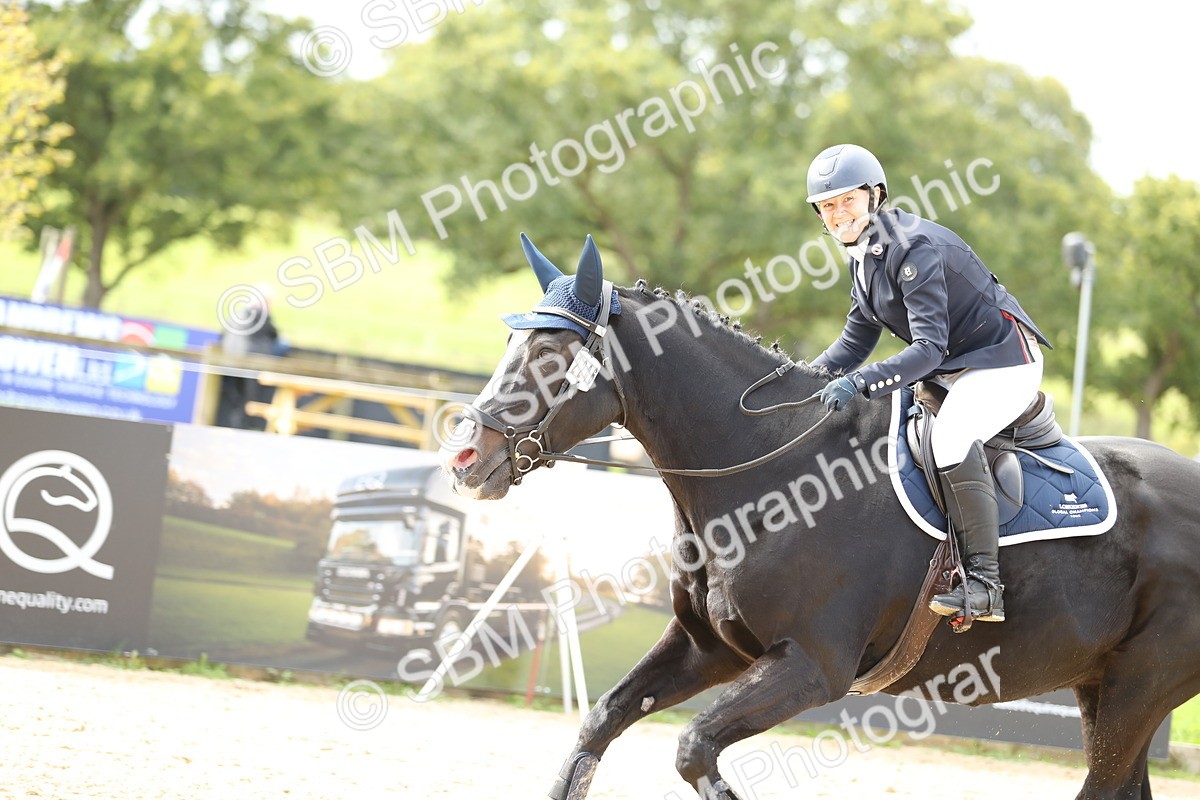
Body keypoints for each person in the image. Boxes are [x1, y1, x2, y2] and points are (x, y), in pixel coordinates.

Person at [805, 143, 1050, 624]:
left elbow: (928, 349)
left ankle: (985, 586)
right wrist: (800, 382)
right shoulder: (865, 256)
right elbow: (854, 343)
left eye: (847, 200)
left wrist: (858, 384)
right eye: (828, 206)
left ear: (875, 195)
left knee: (950, 438)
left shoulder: (910, 247)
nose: (838, 214)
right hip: (958, 367)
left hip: (1002, 363)